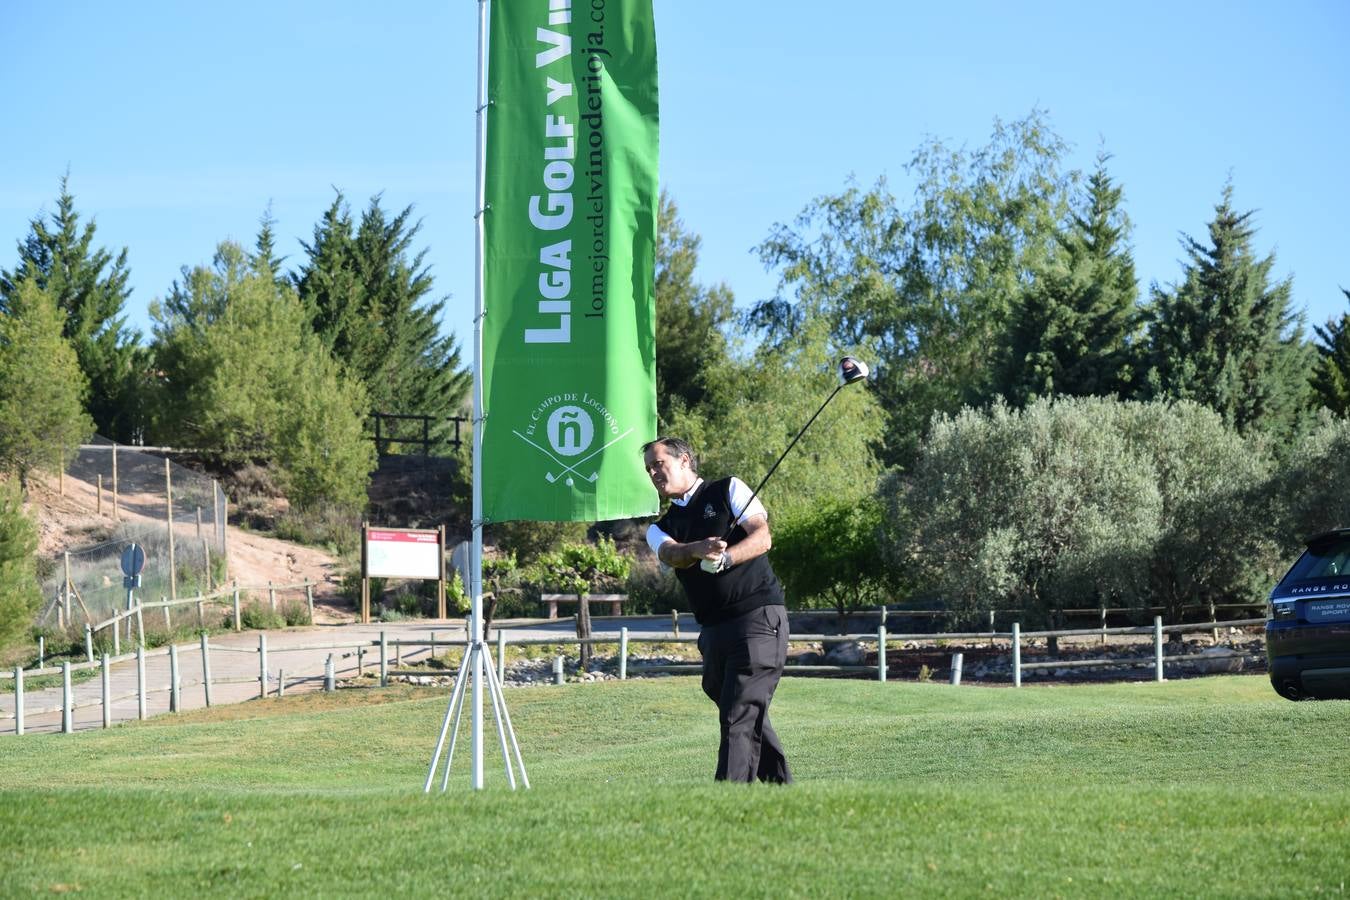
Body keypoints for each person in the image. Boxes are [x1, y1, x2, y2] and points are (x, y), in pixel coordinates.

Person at [642, 436, 792, 784]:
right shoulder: (659, 527)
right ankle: (782, 789)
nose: (653, 473)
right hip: (714, 629)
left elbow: (762, 537)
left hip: (758, 617)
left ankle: (726, 797)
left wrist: (726, 557)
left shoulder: (728, 489)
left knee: (738, 710)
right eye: (649, 468)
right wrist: (698, 549)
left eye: (659, 464)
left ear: (684, 461)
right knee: (731, 701)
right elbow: (670, 554)